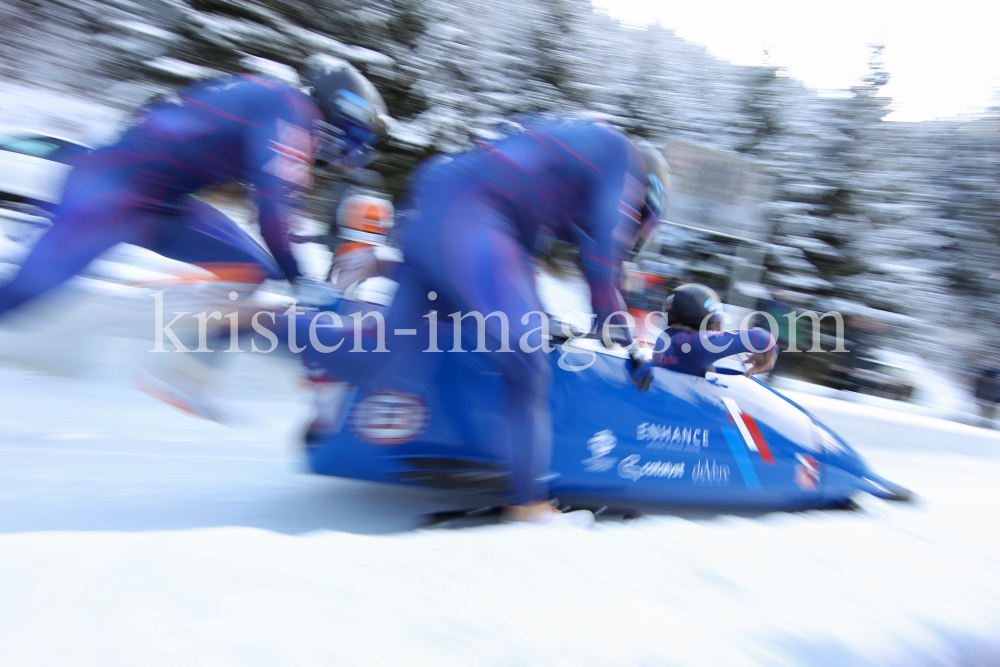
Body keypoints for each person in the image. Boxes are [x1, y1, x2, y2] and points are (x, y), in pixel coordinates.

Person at [284, 120, 670, 523]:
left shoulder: (564, 157)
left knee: (374, 360)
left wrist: (388, 263)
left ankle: (254, 315)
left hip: (436, 198)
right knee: (528, 367)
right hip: (478, 215)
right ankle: (527, 506)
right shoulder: (623, 161)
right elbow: (601, 258)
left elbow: (513, 256)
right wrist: (626, 340)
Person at [0, 54, 387, 418]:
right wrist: (297, 277)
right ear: (341, 113)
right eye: (345, 145)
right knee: (23, 291)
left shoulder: (274, 99)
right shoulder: (290, 108)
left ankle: (185, 377)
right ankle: (178, 357)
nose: (335, 155)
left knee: (248, 267)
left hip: (153, 199)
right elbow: (271, 204)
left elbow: (158, 118)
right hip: (109, 196)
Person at [630, 283, 778, 382]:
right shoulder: (693, 344)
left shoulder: (667, 338)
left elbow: (694, 369)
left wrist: (740, 376)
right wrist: (770, 350)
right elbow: (761, 338)